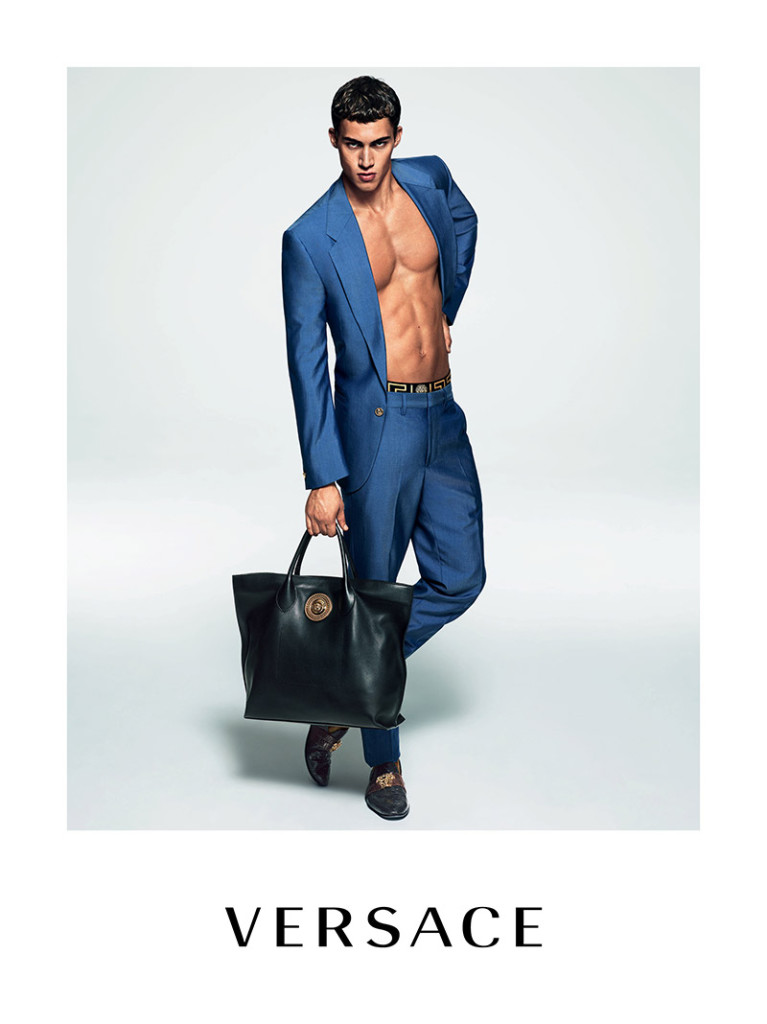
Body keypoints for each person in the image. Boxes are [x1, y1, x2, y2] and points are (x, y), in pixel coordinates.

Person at [281, 75, 486, 820]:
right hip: (376, 428)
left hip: (442, 415)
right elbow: (306, 362)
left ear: (397, 136)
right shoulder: (310, 237)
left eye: (377, 143)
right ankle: (383, 764)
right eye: (351, 145)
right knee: (372, 592)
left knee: (460, 577)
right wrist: (322, 475)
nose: (365, 160)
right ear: (334, 141)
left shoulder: (430, 181)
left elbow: (463, 225)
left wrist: (445, 306)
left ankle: (343, 690)